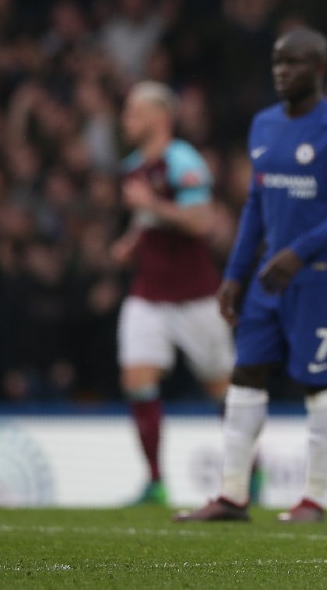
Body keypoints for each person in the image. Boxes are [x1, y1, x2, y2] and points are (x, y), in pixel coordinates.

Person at [174, 27, 327, 523]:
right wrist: (236, 273)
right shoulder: (263, 125)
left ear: (320, 69)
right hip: (268, 278)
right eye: (278, 63)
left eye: (294, 63)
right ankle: (233, 494)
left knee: (318, 383)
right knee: (245, 376)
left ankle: (314, 498)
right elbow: (256, 207)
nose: (283, 72)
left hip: (323, 278)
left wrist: (299, 253)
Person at [111, 81, 235, 506]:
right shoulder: (132, 167)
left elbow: (202, 223)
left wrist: (152, 204)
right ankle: (155, 480)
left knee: (220, 387)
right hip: (148, 294)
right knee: (136, 379)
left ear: (160, 118)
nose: (127, 121)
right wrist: (131, 241)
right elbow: (149, 219)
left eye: (135, 113)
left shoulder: (183, 161)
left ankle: (248, 471)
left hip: (195, 296)